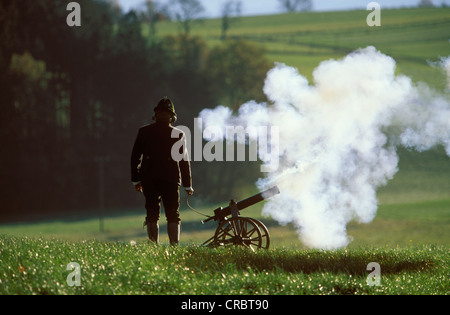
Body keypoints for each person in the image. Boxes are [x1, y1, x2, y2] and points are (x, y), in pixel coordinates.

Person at [130, 97, 193, 245]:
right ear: (172, 116)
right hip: (171, 179)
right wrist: (187, 184)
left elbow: (134, 157)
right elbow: (184, 161)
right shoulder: (178, 134)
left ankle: (153, 246)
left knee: (151, 214)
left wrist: (136, 179)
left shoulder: (144, 131)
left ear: (156, 114)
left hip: (149, 178)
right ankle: (174, 246)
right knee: (173, 214)